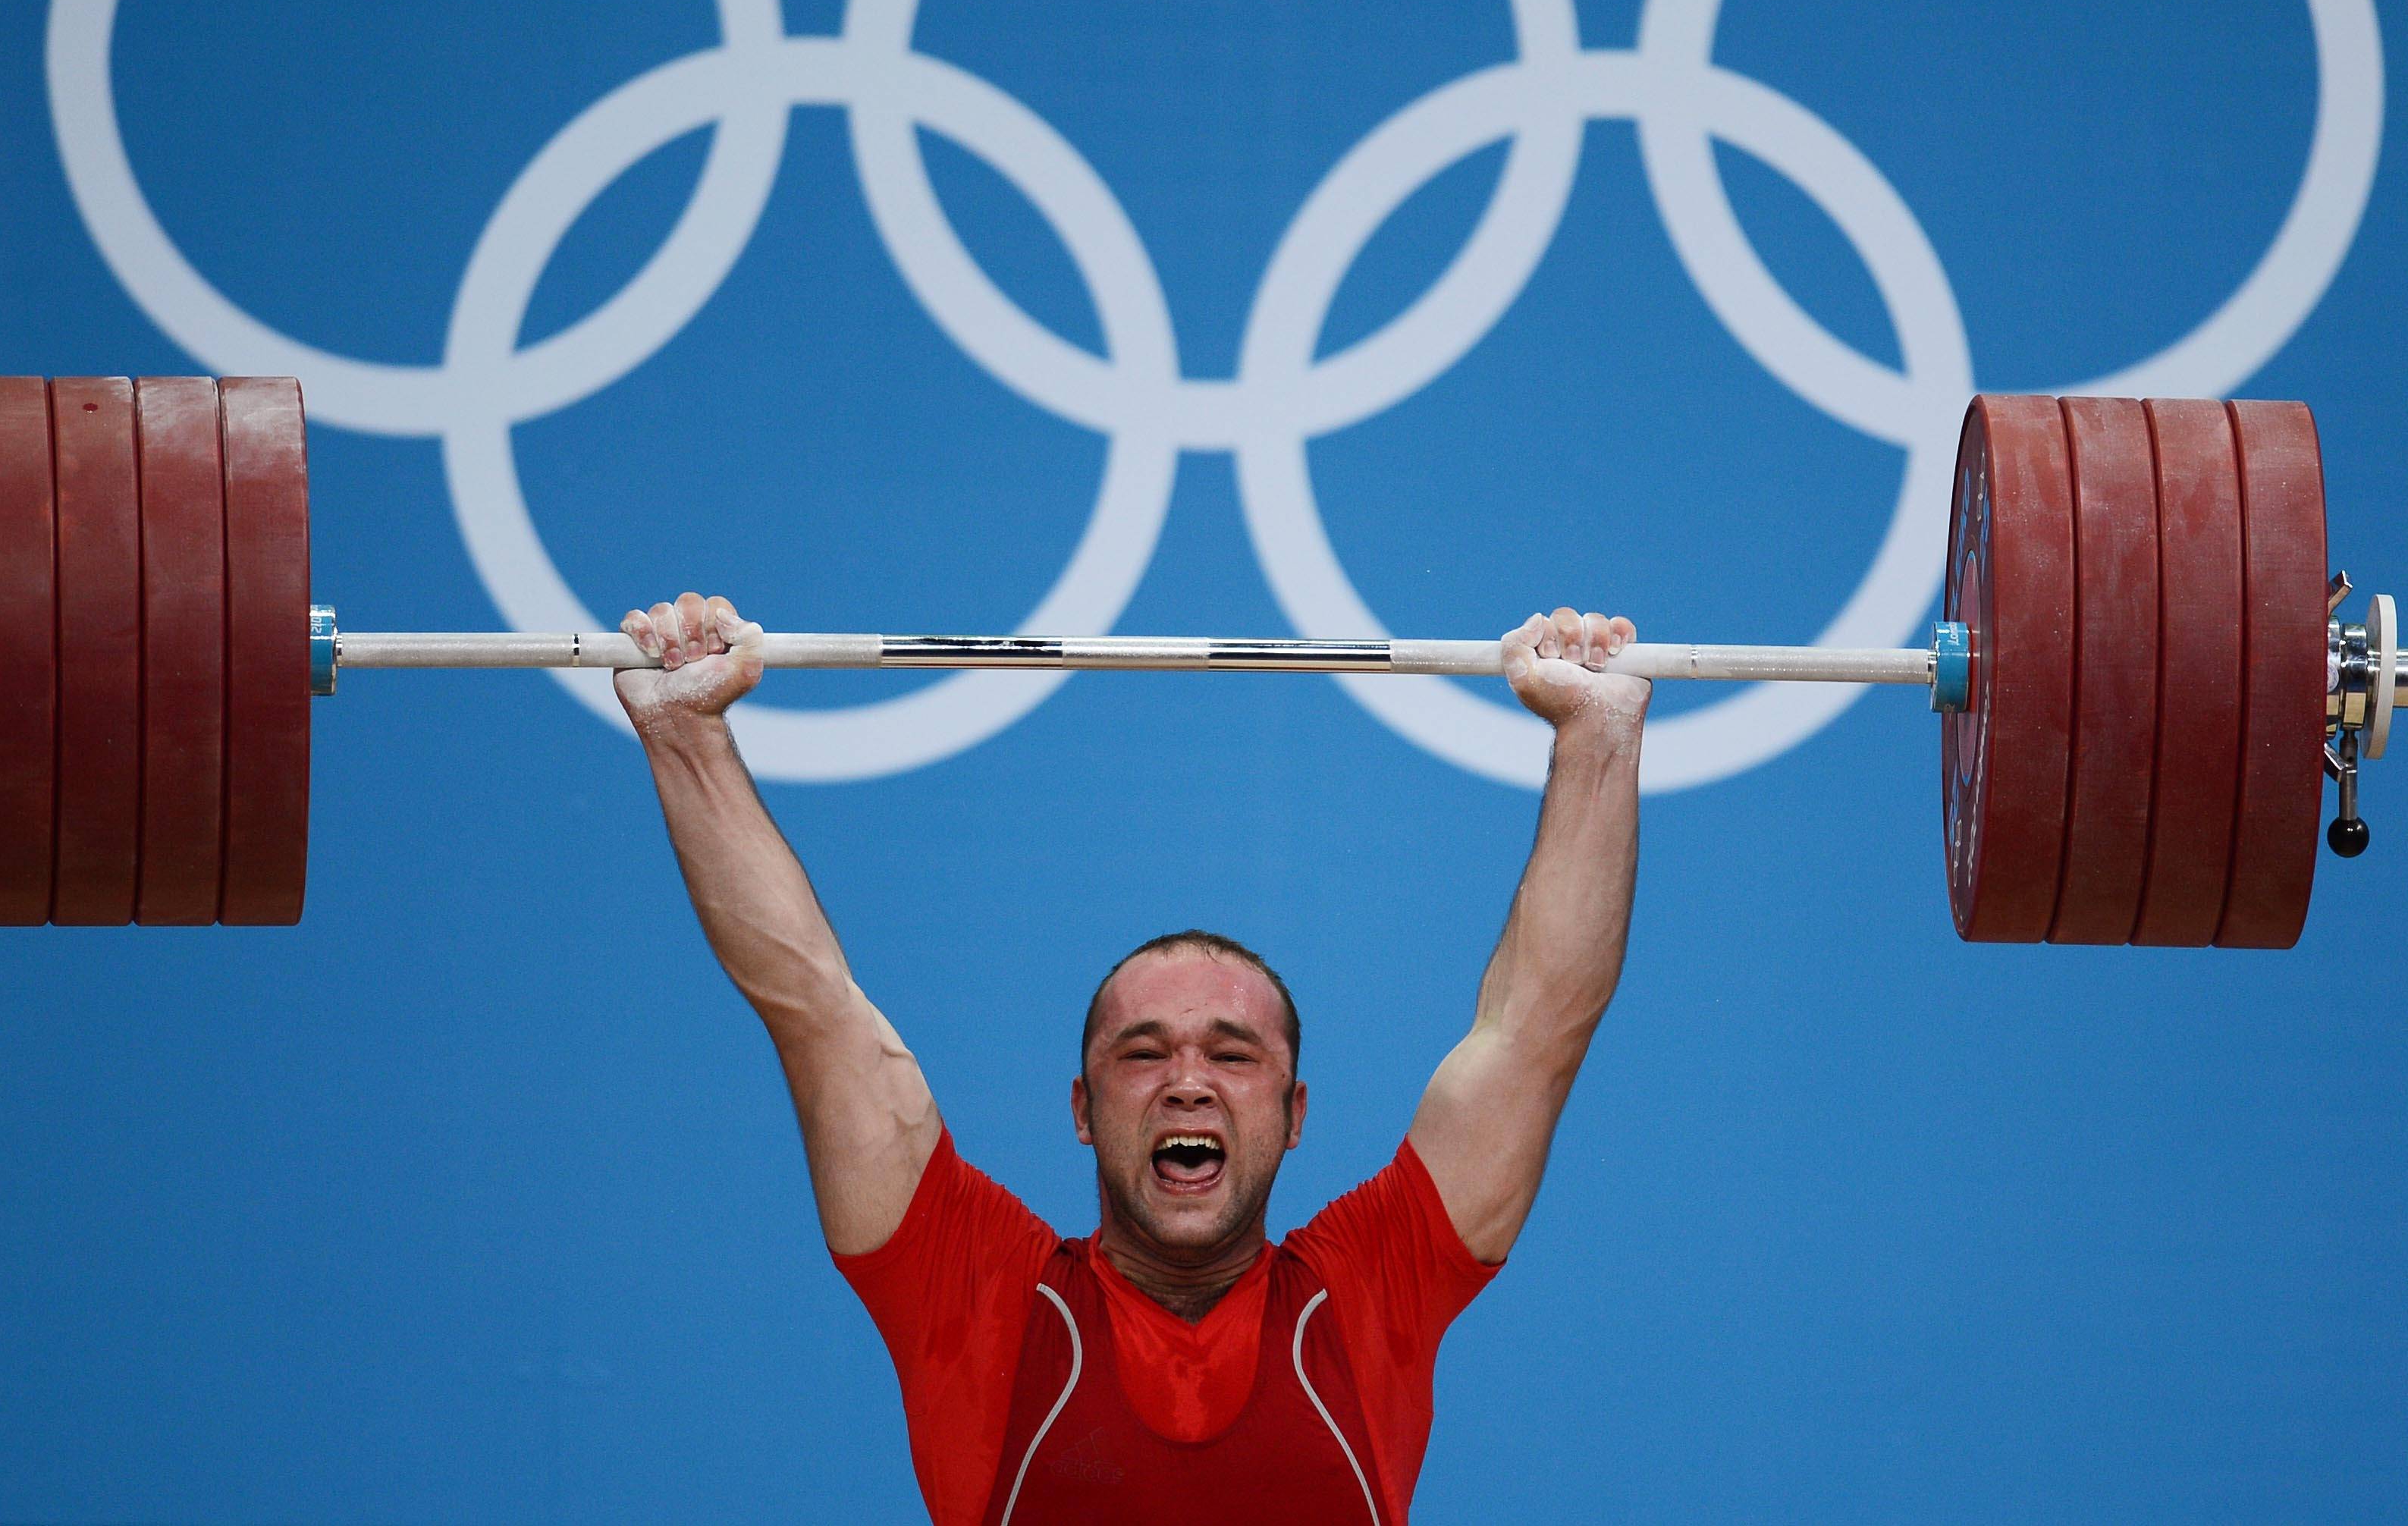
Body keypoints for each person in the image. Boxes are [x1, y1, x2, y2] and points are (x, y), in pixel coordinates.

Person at [617, 592, 1648, 1525]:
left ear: (1294, 1116)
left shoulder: (1371, 1294)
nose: (1187, 1080)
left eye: (1232, 1055)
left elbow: (1537, 1032)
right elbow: (814, 1011)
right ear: (1082, 1107)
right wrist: (684, 734)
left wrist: (1597, 740)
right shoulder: (979, 1301)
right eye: (1142, 1052)